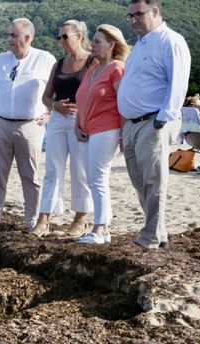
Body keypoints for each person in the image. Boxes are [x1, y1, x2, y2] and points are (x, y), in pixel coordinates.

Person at [117, 0, 191, 249]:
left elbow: (178, 81)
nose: (133, 20)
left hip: (153, 121)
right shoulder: (140, 45)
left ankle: (150, 236)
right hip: (133, 123)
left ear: (155, 11)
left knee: (153, 181)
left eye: (138, 14)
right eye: (130, 16)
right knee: (140, 180)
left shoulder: (171, 41)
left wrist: (163, 118)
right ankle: (158, 233)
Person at [0, 18, 57, 231]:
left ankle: (32, 221)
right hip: (1, 122)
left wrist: (50, 112)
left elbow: (57, 87)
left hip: (30, 125)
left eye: (13, 35)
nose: (9, 39)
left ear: (27, 38)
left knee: (30, 175)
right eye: (9, 35)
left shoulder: (45, 59)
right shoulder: (0, 60)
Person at [32, 20, 95, 238]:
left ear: (79, 36)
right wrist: (53, 106)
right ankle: (44, 219)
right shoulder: (58, 64)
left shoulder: (92, 62)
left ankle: (80, 218)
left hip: (81, 116)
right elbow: (46, 96)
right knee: (52, 170)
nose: (61, 41)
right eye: (59, 37)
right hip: (58, 118)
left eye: (65, 36)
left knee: (80, 170)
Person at [74, 25, 129, 245]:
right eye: (93, 40)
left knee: (98, 179)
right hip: (88, 130)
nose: (92, 44)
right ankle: (102, 229)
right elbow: (82, 99)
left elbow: (123, 102)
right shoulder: (93, 68)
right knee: (93, 179)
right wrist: (78, 124)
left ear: (111, 44)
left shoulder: (117, 68)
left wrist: (124, 135)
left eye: (97, 41)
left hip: (107, 129)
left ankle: (100, 229)